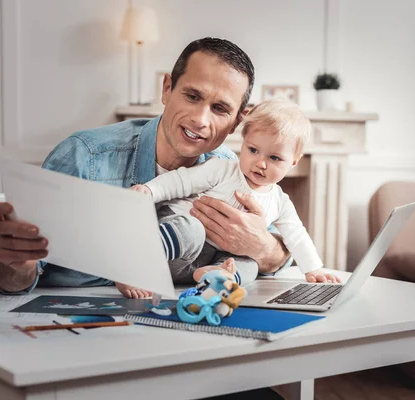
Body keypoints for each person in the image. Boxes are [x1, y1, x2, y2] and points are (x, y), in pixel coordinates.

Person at [0, 37, 292, 297]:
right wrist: (15, 263)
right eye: (192, 96)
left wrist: (262, 247)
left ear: (238, 121)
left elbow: (280, 255)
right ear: (167, 89)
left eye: (220, 108)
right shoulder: (84, 157)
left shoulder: (233, 171)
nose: (200, 119)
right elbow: (13, 281)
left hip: (176, 328)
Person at [119, 98, 340, 298]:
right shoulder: (223, 169)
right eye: (253, 150)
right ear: (243, 142)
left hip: (199, 265)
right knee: (192, 229)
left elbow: (297, 235)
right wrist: (150, 190)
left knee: (250, 264)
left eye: (274, 157)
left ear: (294, 161)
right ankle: (134, 262)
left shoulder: (280, 202)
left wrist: (313, 269)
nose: (260, 163)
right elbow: (182, 181)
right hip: (181, 242)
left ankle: (217, 279)